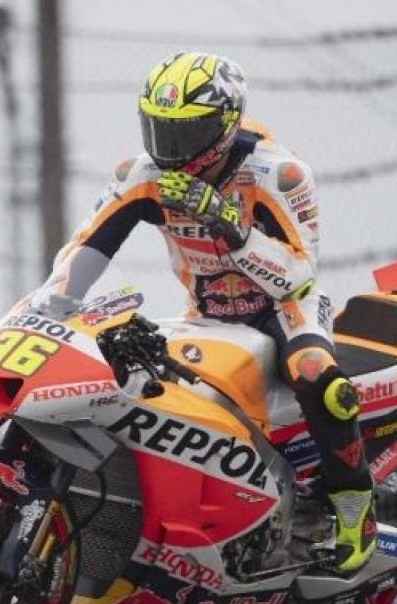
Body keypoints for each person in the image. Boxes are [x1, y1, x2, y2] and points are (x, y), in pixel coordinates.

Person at [35, 51, 375, 573]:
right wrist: (53, 300)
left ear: (226, 123)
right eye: (160, 130)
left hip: (288, 311)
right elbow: (89, 246)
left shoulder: (280, 174)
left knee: (318, 377)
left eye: (186, 133)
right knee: (140, 381)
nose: (171, 149)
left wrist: (230, 226)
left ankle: (355, 507)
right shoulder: (140, 174)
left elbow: (299, 274)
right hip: (207, 314)